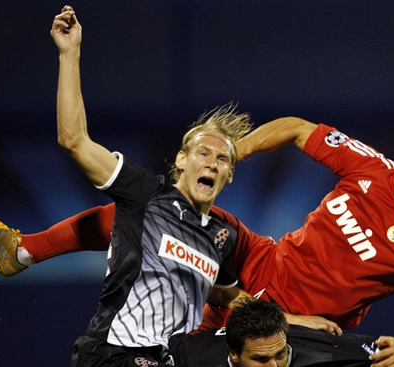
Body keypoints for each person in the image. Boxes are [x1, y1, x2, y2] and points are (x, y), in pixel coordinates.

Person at [0, 9, 394, 367]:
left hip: (290, 325)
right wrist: (234, 150)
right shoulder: (373, 166)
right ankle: (26, 250)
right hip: (262, 260)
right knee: (153, 213)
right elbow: (298, 128)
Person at [36, 5, 260, 366]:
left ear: (229, 175)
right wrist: (69, 53)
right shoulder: (145, 193)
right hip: (112, 354)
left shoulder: (223, 237)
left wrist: (293, 321)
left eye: (223, 160)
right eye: (203, 152)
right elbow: (74, 140)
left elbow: (229, 295)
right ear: (182, 161)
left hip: (164, 359)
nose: (212, 163)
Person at [167, 298, 376, 367]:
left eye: (280, 355)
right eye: (261, 359)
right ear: (234, 354)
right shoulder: (191, 355)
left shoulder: (317, 351)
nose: (274, 366)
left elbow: (375, 349)